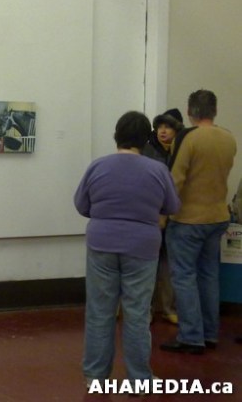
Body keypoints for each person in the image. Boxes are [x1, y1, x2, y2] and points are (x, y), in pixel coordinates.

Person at [74, 111, 181, 387]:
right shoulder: (158, 170)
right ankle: (139, 378)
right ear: (146, 139)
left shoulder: (98, 166)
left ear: (116, 136)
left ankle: (95, 376)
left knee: (100, 311)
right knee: (137, 313)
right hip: (142, 247)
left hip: (102, 243)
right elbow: (172, 206)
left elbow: (81, 205)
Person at [160, 89, 237, 354]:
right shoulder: (228, 138)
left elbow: (176, 180)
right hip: (218, 217)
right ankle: (210, 333)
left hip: (188, 219)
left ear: (189, 112)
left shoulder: (187, 138)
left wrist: (163, 214)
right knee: (209, 275)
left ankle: (191, 336)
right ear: (214, 111)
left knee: (184, 277)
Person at [142, 108, 184, 325]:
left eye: (168, 127)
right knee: (147, 264)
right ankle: (146, 309)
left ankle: (168, 308)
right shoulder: (147, 150)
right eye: (160, 126)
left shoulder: (182, 150)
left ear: (177, 130)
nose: (163, 131)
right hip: (151, 215)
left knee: (169, 264)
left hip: (175, 215)